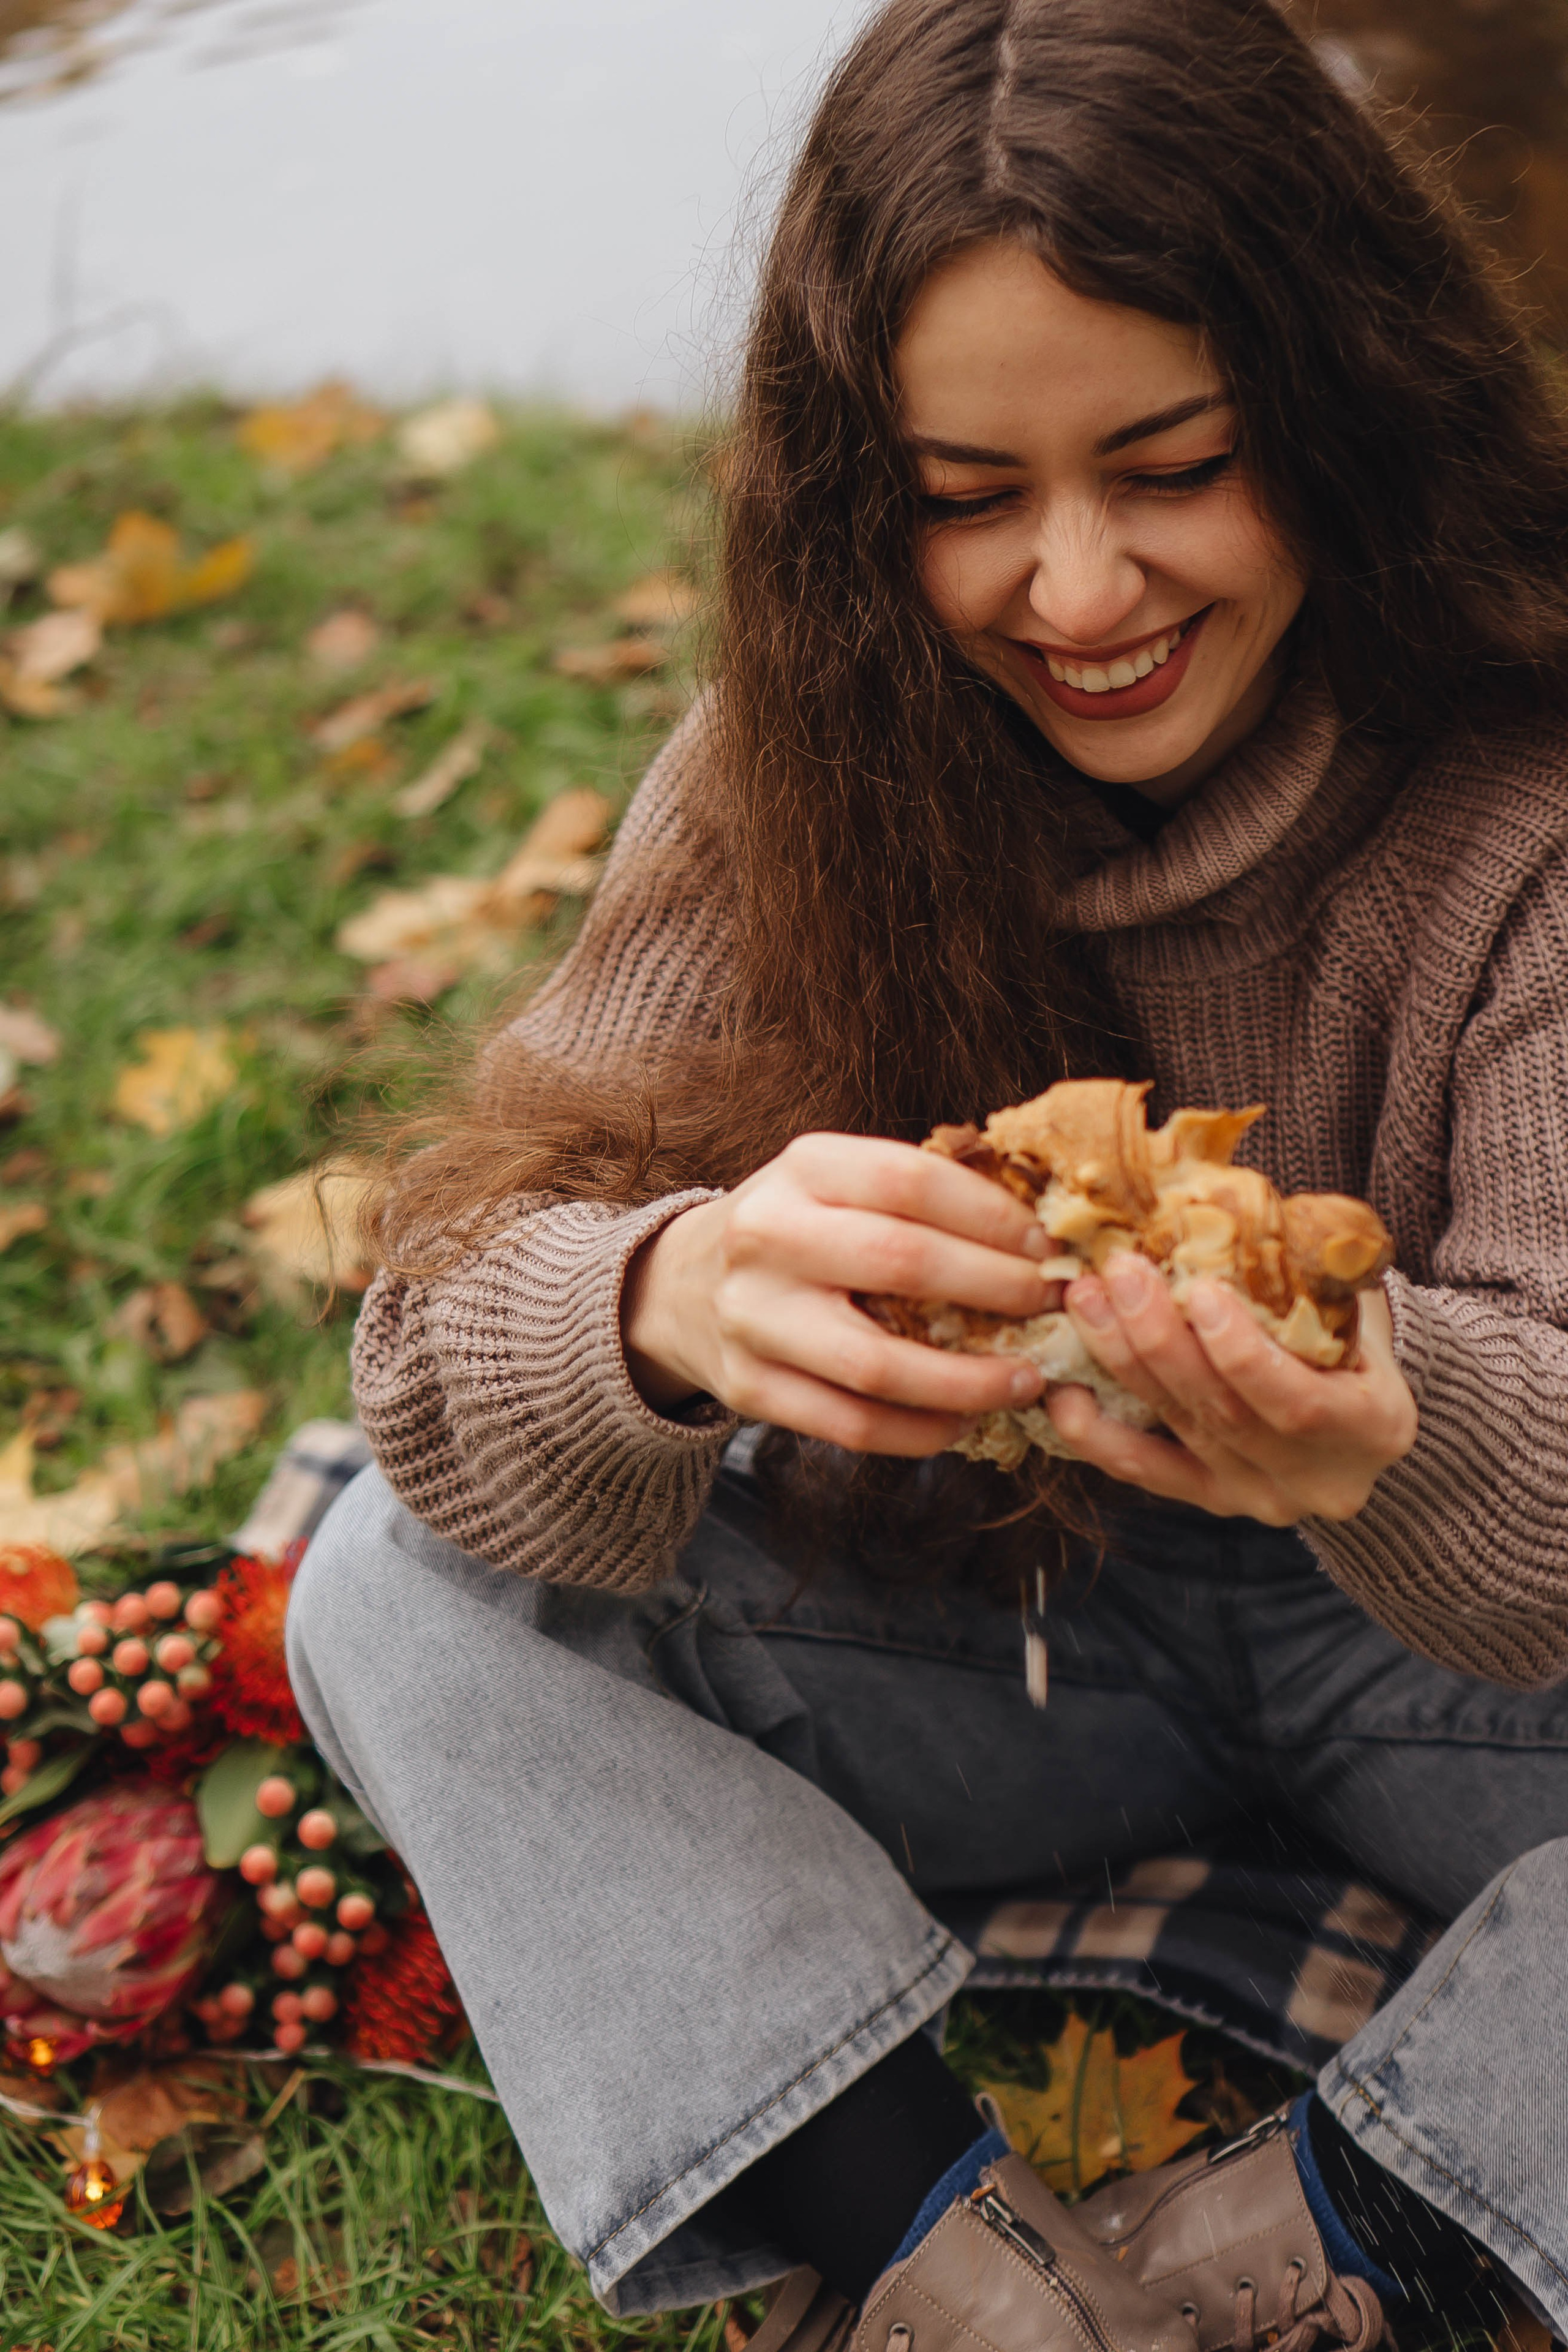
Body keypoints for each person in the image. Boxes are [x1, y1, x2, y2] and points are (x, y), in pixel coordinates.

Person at [288, 2, 1568, 2346]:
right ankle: (925, 2252)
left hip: (1467, 1699)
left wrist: (1399, 1429)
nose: (1079, 592)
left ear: (1340, 400)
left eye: (1173, 462)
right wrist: (658, 1309)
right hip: (981, 1644)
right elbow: (442, 1349)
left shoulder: (1527, 787)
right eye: (966, 495)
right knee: (384, 1595)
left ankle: (1359, 2239)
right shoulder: (804, 761)